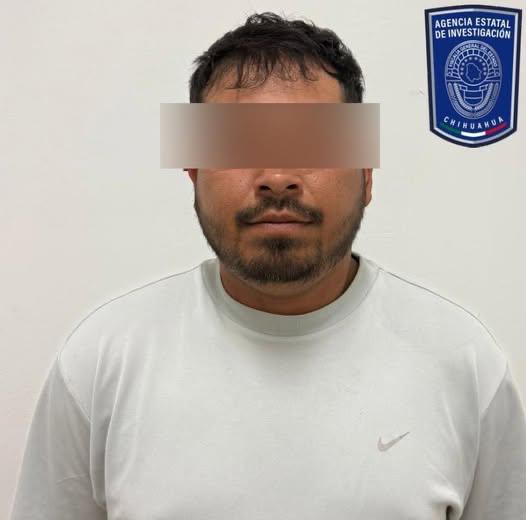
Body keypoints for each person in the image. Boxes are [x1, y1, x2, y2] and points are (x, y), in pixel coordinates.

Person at [10, 11, 526, 520]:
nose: (277, 177)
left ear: (367, 174)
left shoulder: (465, 364)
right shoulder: (102, 361)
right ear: (194, 172)